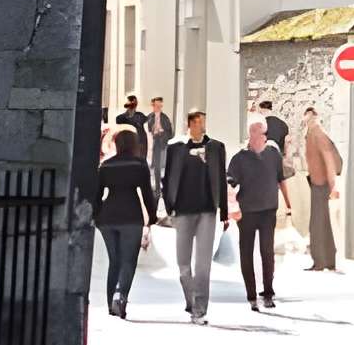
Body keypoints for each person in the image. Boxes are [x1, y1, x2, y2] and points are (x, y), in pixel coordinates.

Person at [162, 108, 228, 322]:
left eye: (204, 121)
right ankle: (191, 299)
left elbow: (221, 181)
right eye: (198, 122)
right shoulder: (176, 148)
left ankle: (200, 308)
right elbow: (167, 178)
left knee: (203, 264)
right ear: (190, 124)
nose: (202, 125)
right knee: (183, 264)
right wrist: (168, 206)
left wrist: (224, 212)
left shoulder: (216, 148)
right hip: (182, 210)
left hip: (207, 210)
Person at [93, 127, 157, 316]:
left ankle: (110, 303)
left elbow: (96, 195)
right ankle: (119, 297)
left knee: (114, 261)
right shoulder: (139, 164)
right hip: (131, 216)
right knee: (128, 260)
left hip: (108, 217)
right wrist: (152, 217)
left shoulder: (106, 166)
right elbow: (147, 193)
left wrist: (96, 215)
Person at [228, 119, 290, 312]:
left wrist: (289, 203)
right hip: (247, 212)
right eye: (256, 133)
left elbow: (281, 180)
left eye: (262, 133)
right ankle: (251, 295)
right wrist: (232, 208)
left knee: (267, 252)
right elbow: (229, 185)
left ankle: (268, 293)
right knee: (246, 253)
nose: (260, 136)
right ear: (251, 135)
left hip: (268, 210)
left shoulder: (273, 155)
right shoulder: (239, 158)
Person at [302, 105, 343, 273]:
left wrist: (333, 186)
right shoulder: (311, 134)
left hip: (321, 185)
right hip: (317, 184)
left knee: (318, 224)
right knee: (321, 224)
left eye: (310, 117)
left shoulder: (318, 134)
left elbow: (328, 160)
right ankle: (326, 261)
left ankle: (321, 262)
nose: (307, 120)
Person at [146, 97, 173, 207]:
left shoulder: (165, 118)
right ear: (153, 106)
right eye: (157, 106)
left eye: (160, 106)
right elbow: (148, 129)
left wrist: (163, 135)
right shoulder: (149, 117)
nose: (159, 108)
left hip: (162, 143)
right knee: (157, 168)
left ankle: (165, 188)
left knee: (165, 167)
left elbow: (170, 133)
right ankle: (157, 188)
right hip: (154, 144)